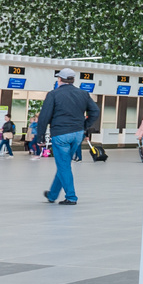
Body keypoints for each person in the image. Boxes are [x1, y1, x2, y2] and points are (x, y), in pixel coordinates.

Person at [39, 68, 100, 205]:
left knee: (64, 165)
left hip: (61, 134)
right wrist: (85, 125)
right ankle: (52, 195)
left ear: (59, 79)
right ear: (73, 80)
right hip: (77, 134)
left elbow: (44, 116)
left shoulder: (53, 94)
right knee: (64, 164)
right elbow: (95, 111)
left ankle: (71, 197)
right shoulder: (83, 94)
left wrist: (40, 136)